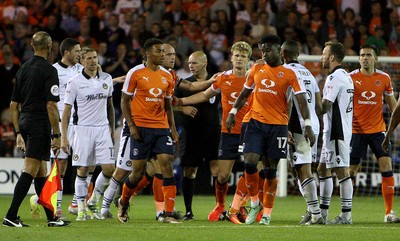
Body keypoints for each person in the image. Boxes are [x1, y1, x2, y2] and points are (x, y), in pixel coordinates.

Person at [226, 34, 314, 225]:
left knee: (270, 170)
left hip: (278, 125)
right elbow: (244, 93)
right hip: (256, 123)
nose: (264, 53)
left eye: (268, 50)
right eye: (262, 50)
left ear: (278, 50)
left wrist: (307, 124)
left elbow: (301, 99)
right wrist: (233, 111)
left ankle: (267, 214)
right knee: (249, 163)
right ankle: (255, 203)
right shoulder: (256, 68)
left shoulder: (290, 73)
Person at [175, 41, 252, 222]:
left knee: (253, 171)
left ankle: (240, 206)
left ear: (249, 59)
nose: (239, 59)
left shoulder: (254, 77)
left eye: (243, 56)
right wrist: (181, 102)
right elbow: (203, 95)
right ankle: (221, 207)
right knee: (223, 175)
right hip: (228, 132)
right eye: (237, 55)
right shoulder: (223, 78)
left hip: (250, 132)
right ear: (231, 58)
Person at [3, 31, 70, 228]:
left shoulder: (22, 69)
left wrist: (17, 132)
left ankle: (52, 218)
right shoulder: (49, 70)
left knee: (42, 171)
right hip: (39, 123)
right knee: (31, 169)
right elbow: (51, 105)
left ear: (33, 46)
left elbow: (14, 105)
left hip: (24, 120)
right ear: (49, 47)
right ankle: (10, 216)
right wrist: (57, 135)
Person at [117, 38, 179, 224]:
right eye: (159, 51)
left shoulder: (167, 76)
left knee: (166, 164)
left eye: (163, 51)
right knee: (137, 173)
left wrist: (173, 129)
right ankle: (123, 201)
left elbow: (168, 106)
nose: (162, 54)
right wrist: (132, 126)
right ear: (147, 54)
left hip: (160, 127)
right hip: (141, 127)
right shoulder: (135, 73)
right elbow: (124, 101)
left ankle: (167, 214)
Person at [61, 47, 116, 221]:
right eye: (89, 58)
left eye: (95, 57)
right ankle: (82, 209)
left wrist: (111, 129)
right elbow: (67, 112)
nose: (93, 61)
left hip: (102, 129)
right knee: (83, 169)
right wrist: (63, 136)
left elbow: (110, 107)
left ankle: (94, 200)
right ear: (81, 61)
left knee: (109, 168)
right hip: (82, 130)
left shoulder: (106, 79)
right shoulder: (74, 82)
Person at [350, 45, 399, 223]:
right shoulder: (351, 78)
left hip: (378, 130)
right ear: (358, 59)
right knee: (351, 170)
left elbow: (393, 106)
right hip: (355, 131)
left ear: (375, 59)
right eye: (362, 55)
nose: (365, 58)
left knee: (386, 167)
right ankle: (346, 211)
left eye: (369, 55)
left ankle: (389, 212)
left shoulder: (384, 78)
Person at [281, 40, 324, 225]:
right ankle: (311, 209)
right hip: (313, 124)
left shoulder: (286, 73)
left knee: (303, 169)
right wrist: (312, 123)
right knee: (300, 168)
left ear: (283, 54)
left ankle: (316, 214)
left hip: (298, 125)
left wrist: (287, 127)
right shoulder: (310, 74)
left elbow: (290, 101)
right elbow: (320, 106)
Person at [175, 51, 221, 221]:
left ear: (205, 63)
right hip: (191, 133)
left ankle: (220, 209)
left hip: (212, 132)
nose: (191, 66)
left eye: (194, 63)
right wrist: (183, 109)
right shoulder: (186, 85)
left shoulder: (217, 82)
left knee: (216, 170)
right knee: (189, 170)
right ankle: (188, 211)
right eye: (189, 63)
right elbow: (170, 103)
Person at [317, 41, 354, 225]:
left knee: (341, 171)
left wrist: (307, 109)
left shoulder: (334, 78)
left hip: (336, 133)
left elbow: (325, 106)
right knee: (322, 169)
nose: (321, 57)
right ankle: (322, 215)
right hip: (333, 132)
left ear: (332, 57)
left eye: (324, 54)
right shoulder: (345, 75)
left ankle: (346, 215)